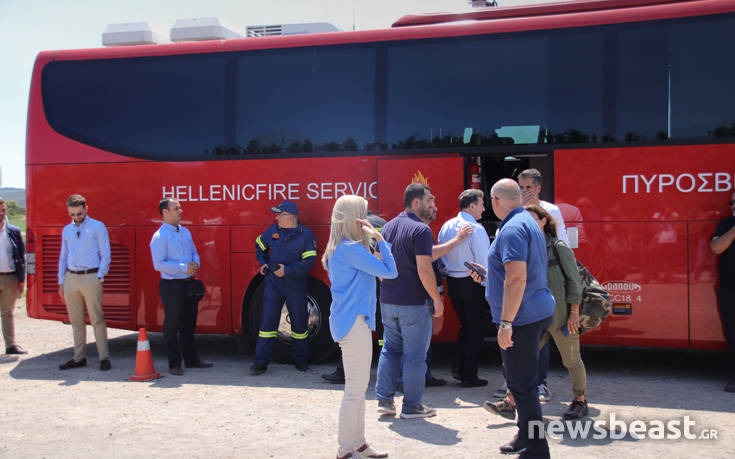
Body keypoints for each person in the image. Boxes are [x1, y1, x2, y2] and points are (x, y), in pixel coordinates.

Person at [487, 204, 589, 421]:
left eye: (533, 218)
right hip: (535, 315)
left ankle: (580, 400)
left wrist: (574, 313)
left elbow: (574, 281)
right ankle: (511, 401)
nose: (528, 223)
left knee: (571, 359)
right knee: (518, 358)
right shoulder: (528, 246)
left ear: (544, 221)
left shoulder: (558, 247)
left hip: (560, 315)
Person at [482, 179, 554, 458]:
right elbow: (514, 272)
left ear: (496, 200)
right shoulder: (527, 220)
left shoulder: (511, 228)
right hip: (535, 310)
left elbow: (517, 278)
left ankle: (537, 449)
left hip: (521, 318)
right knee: (519, 381)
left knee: (523, 386)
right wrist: (488, 275)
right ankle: (524, 435)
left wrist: (505, 323)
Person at [323, 195, 397, 459]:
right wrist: (380, 239)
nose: (368, 219)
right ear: (354, 218)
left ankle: (359, 443)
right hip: (354, 323)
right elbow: (390, 272)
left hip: (351, 321)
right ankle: (346, 449)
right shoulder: (351, 249)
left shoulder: (342, 247)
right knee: (355, 390)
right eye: (363, 214)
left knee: (357, 387)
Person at [375, 183, 443, 419]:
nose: (433, 204)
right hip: (414, 303)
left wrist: (389, 287)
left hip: (388, 301)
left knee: (390, 350)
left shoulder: (388, 227)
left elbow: (378, 263)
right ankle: (412, 407)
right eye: (429, 199)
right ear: (416, 202)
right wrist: (437, 300)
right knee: (415, 356)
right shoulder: (421, 230)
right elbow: (425, 270)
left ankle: (384, 401)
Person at [517, 167, 568, 402]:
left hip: (546, 278)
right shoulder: (516, 211)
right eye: (521, 187)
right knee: (524, 334)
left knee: (544, 333)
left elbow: (562, 245)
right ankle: (516, 387)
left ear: (538, 188)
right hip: (522, 279)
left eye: (528, 187)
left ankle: (541, 384)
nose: (524, 191)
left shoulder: (551, 210)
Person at [251, 201, 317, 375]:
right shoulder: (272, 231)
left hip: (295, 284)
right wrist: (264, 263)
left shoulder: (306, 235)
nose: (276, 217)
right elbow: (259, 245)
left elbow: (309, 261)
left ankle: (301, 362)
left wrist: (287, 270)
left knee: (300, 323)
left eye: (280, 215)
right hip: (273, 283)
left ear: (291, 217)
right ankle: (260, 363)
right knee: (267, 323)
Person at [150, 198, 213, 375]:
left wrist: (195, 263)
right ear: (165, 212)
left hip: (188, 284)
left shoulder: (185, 232)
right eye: (176, 208)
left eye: (179, 208)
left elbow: (193, 251)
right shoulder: (160, 237)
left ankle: (191, 359)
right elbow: (158, 264)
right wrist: (184, 268)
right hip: (171, 286)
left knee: (189, 323)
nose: (180, 211)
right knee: (172, 325)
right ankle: (174, 363)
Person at [322, 211, 386, 385]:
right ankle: (385, 374)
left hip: (364, 283)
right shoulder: (381, 222)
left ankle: (342, 372)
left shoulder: (356, 226)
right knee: (383, 332)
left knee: (350, 329)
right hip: (382, 283)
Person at [438, 189, 490, 387]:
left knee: (466, 326)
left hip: (453, 281)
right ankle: (469, 375)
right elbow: (483, 263)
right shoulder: (476, 229)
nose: (484, 209)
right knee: (475, 329)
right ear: (472, 206)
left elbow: (442, 257)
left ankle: (459, 367)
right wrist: (487, 288)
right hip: (472, 283)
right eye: (481, 204)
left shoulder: (446, 226)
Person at [57, 194, 111, 371]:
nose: (76, 218)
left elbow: (105, 253)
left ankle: (104, 357)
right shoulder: (67, 230)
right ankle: (79, 357)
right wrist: (61, 280)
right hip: (71, 276)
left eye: (79, 214)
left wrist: (100, 276)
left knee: (96, 318)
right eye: (72, 214)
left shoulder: (98, 227)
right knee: (76, 321)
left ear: (86, 209)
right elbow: (63, 256)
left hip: (91, 275)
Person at [711, 192, 735, 393]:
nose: (734, 205)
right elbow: (717, 247)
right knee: (733, 333)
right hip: (729, 289)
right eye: (732, 202)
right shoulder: (726, 224)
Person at [0, 197, 27, 355]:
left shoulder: (14, 231)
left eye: (3, 210)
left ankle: (11, 345)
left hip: (10, 278)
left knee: (7, 312)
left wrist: (21, 279)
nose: (2, 213)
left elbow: (21, 257)